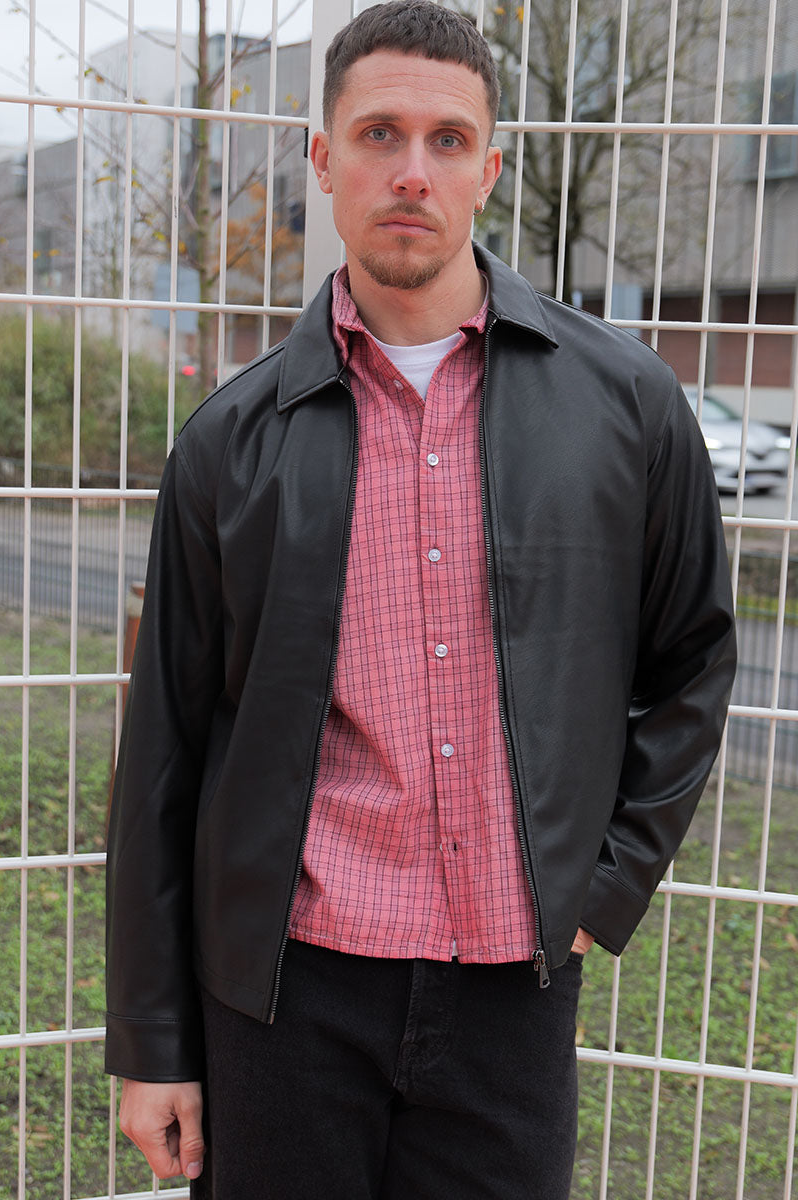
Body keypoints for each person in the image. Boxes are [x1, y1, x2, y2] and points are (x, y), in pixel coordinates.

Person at [105, 3, 736, 1197]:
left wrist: (606, 885)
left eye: (447, 140)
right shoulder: (229, 442)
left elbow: (693, 658)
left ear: (488, 169)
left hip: (510, 996)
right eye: (377, 134)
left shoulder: (625, 406)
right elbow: (164, 758)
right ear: (322, 160)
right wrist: (153, 1045)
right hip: (284, 996)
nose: (411, 171)